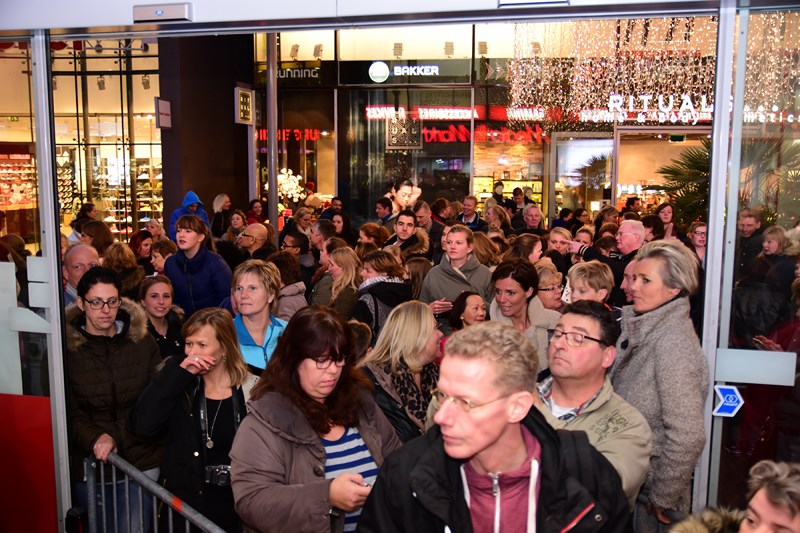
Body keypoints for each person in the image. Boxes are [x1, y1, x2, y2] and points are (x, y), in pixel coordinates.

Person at [358, 320, 631, 533]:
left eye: (466, 402)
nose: (442, 417)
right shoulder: (405, 474)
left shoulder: (585, 474)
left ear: (517, 407)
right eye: (442, 396)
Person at [230, 306, 402, 532]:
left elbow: (398, 462)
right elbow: (252, 502)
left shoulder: (361, 404)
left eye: (339, 359)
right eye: (321, 360)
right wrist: (326, 496)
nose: (332, 371)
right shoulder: (264, 422)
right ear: (293, 359)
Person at [611, 240, 708, 532]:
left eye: (645, 280)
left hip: (649, 499)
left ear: (674, 288)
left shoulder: (673, 342)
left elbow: (688, 434)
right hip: (633, 484)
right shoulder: (645, 328)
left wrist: (663, 494)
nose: (634, 287)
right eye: (634, 278)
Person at [130, 307, 252, 532]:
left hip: (236, 505)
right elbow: (143, 426)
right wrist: (176, 376)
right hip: (186, 506)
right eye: (189, 343)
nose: (192, 353)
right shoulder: (178, 381)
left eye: (202, 345)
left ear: (224, 348)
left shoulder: (252, 388)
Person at [65, 267, 162, 532]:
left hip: (141, 460)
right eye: (96, 302)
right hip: (90, 467)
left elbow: (155, 402)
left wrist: (115, 438)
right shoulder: (67, 350)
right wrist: (96, 438)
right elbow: (67, 411)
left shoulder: (142, 341)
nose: (105, 310)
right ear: (81, 303)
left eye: (112, 301)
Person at [535, 300, 651, 508]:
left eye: (577, 338)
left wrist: (538, 411)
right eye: (559, 334)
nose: (559, 344)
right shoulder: (517, 399)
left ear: (607, 356)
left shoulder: (627, 424)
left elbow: (603, 489)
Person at [358, 301, 442, 442]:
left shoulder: (436, 374)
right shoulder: (371, 382)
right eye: (434, 328)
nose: (440, 334)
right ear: (415, 335)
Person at [420, 224, 493, 331]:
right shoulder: (434, 273)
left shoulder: (484, 273)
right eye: (449, 242)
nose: (452, 247)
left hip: (477, 334)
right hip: (441, 333)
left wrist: (474, 304)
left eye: (458, 243)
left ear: (470, 247)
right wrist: (429, 308)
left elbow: (496, 310)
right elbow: (419, 308)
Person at [490, 259, 560, 371]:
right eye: (498, 291)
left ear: (529, 291)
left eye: (511, 293)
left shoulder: (555, 322)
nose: (502, 299)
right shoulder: (490, 334)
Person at [163, 215, 232, 316]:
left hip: (212, 323)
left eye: (188, 231)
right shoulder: (171, 263)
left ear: (201, 237)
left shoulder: (215, 263)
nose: (181, 235)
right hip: (183, 324)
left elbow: (228, 298)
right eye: (178, 231)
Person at [571, 219, 646, 308]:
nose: (617, 238)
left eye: (621, 234)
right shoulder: (620, 257)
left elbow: (617, 269)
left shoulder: (642, 259)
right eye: (617, 234)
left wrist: (584, 250)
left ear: (636, 237)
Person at [231, 259, 286, 375]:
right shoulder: (224, 334)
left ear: (271, 295)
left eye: (252, 288)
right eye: (239, 288)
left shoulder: (289, 331)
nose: (243, 295)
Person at [352, 250, 412, 341]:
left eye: (367, 270)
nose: (362, 273)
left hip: (374, 353)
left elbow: (354, 338)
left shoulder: (366, 301)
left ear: (384, 273)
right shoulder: (407, 294)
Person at [139, 275, 185, 360]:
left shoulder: (182, 328)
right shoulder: (136, 334)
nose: (161, 301)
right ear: (143, 301)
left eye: (166, 296)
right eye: (154, 296)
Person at [265, 250, 307, 322]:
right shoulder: (295, 295)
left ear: (278, 275)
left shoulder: (285, 302)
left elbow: (285, 332)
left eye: (269, 273)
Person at [329, 247, 362, 319]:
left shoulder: (348, 293)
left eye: (332, 265)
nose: (329, 268)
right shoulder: (348, 289)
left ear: (343, 267)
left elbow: (339, 324)